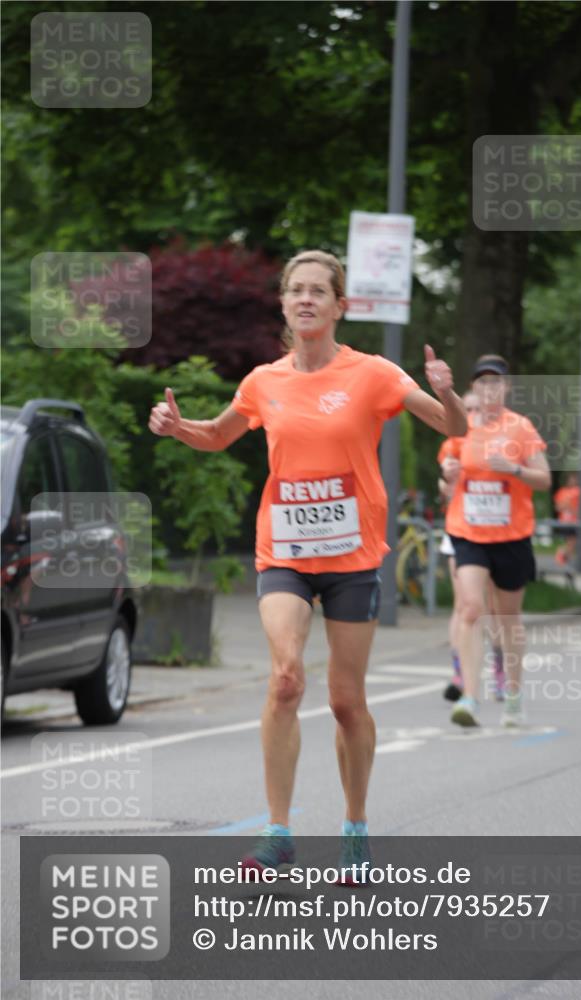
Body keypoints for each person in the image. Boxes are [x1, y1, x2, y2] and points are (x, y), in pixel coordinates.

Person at [149, 249, 467, 876]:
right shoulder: (264, 381)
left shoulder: (373, 374)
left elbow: (450, 428)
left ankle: (355, 829)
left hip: (353, 557)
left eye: (319, 291)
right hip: (285, 552)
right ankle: (278, 834)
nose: (306, 300)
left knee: (347, 701)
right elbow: (217, 435)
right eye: (296, 290)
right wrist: (176, 426)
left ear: (340, 306)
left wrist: (448, 393)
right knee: (286, 679)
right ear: (285, 303)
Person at [441, 354, 551, 728]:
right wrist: (449, 475)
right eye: (482, 382)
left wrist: (516, 469)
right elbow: (445, 487)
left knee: (507, 619)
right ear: (474, 388)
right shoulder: (460, 428)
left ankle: (514, 698)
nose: (489, 388)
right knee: (471, 608)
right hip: (468, 532)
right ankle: (470, 698)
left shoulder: (521, 428)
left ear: (506, 388)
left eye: (496, 382)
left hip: (512, 535)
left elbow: (544, 479)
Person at [437, 392, 505, 704]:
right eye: (469, 409)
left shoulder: (501, 442)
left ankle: (500, 670)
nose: (474, 413)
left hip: (497, 535)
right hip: (460, 534)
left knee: (494, 608)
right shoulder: (453, 444)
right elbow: (444, 486)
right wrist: (448, 483)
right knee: (465, 606)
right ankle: (460, 671)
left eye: (479, 408)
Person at [553, 472, 581, 565]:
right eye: (571, 478)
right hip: (567, 522)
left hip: (578, 521)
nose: (573, 480)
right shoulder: (563, 492)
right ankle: (562, 555)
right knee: (572, 542)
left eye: (575, 478)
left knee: (574, 544)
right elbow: (559, 507)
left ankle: (564, 558)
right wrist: (571, 508)